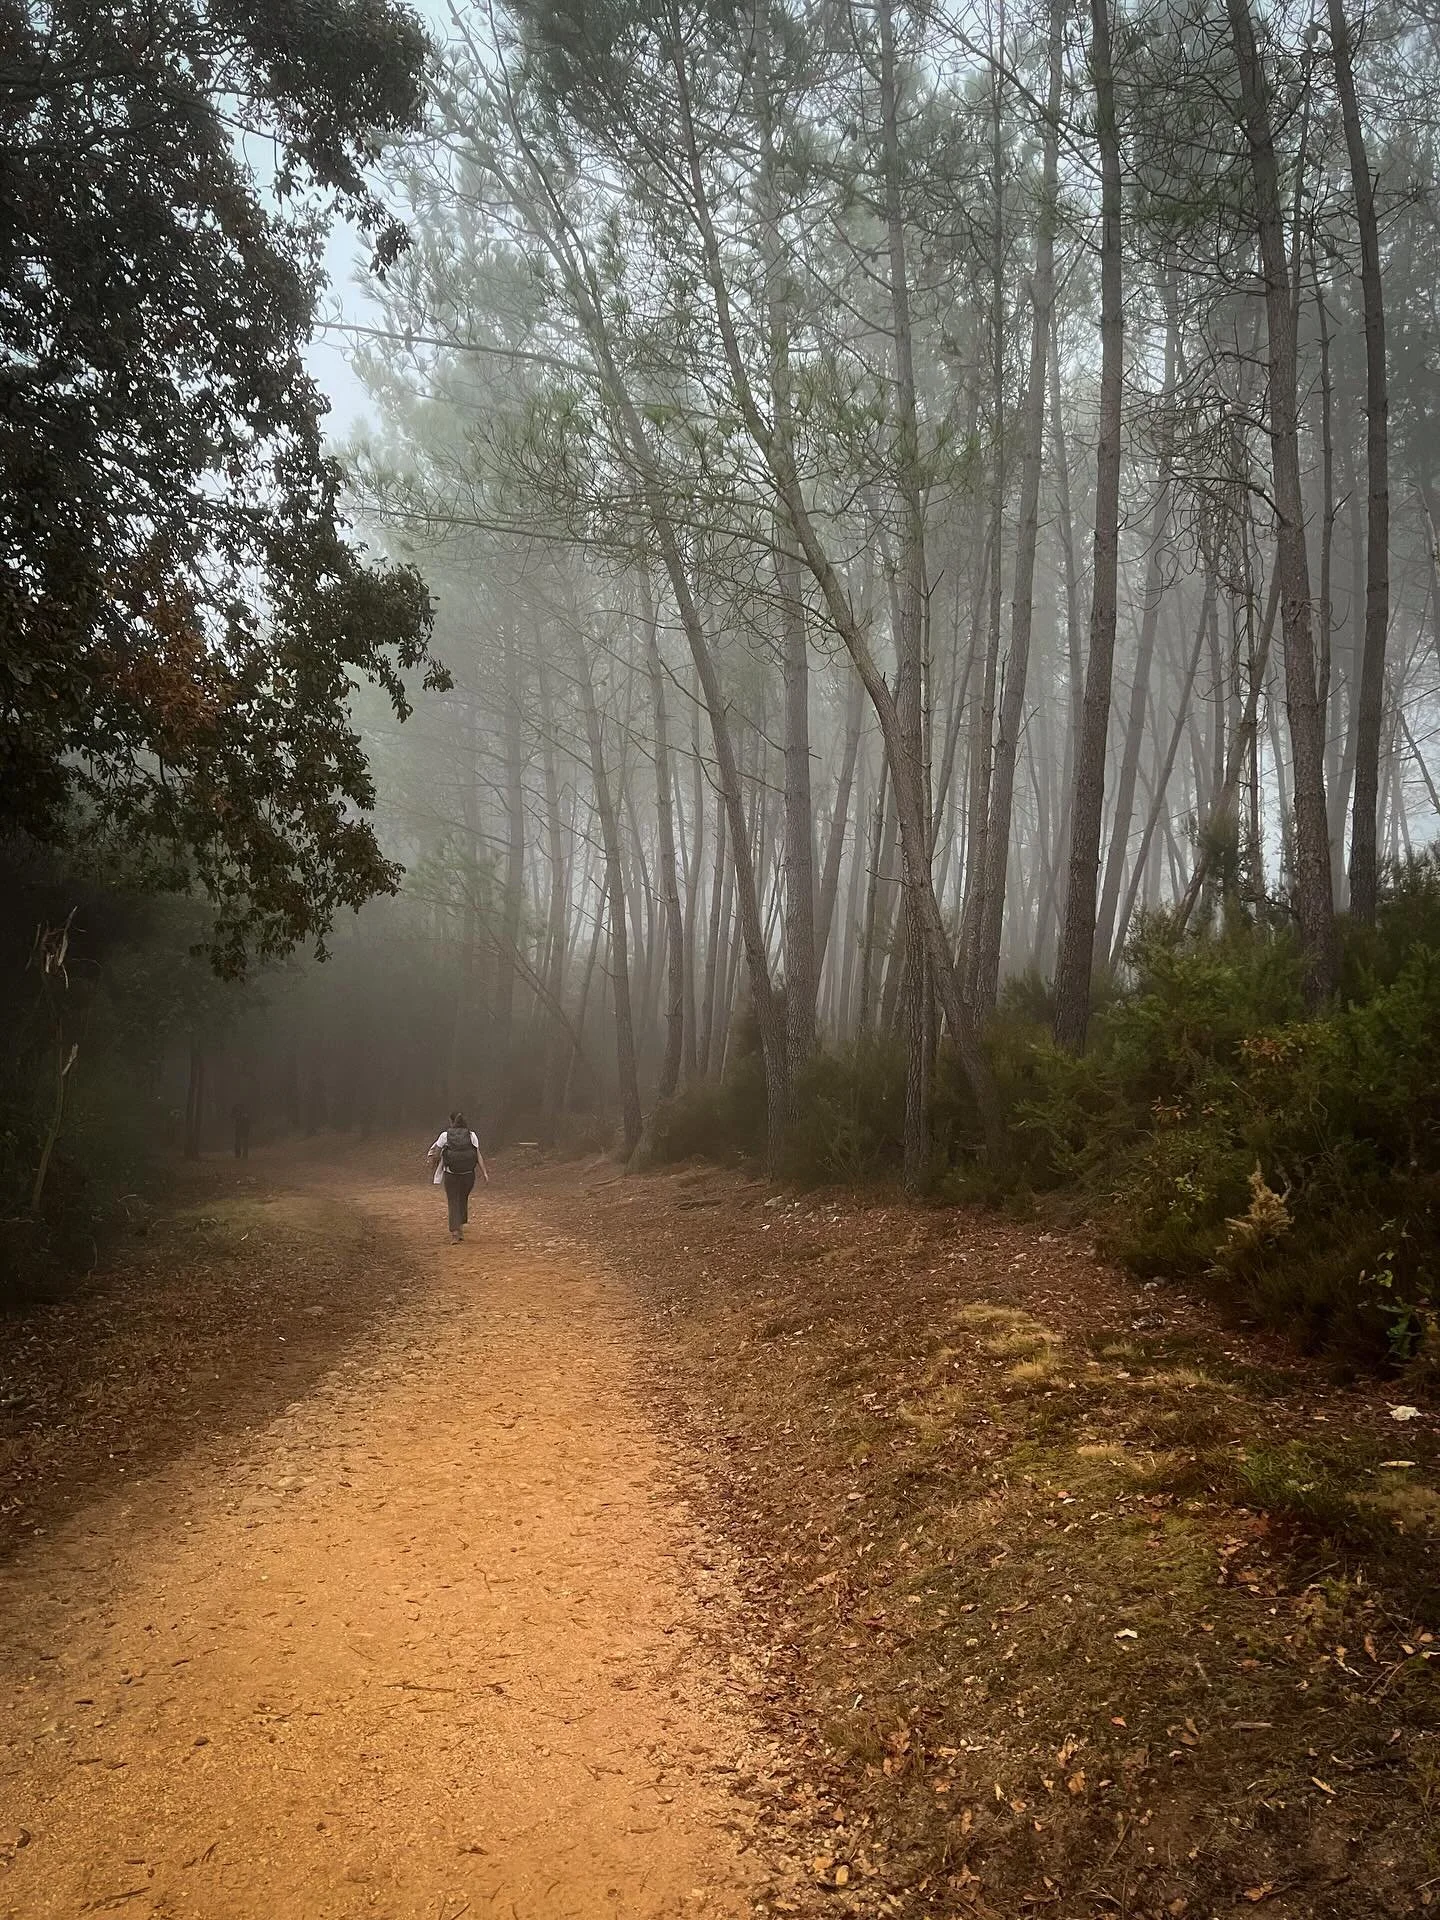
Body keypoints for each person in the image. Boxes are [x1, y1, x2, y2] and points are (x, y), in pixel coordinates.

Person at [425, 1111, 489, 1243]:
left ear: (451, 1122)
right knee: (462, 1198)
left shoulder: (444, 1135)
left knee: (453, 1200)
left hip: (451, 1174)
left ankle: (455, 1233)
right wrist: (484, 1173)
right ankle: (460, 1227)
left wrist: (433, 1165)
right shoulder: (472, 1135)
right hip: (468, 1174)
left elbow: (436, 1152)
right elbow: (478, 1155)